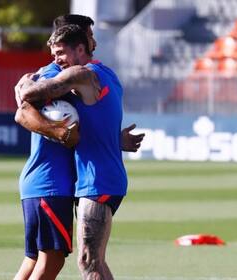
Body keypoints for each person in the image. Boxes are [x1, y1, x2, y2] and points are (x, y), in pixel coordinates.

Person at [14, 16, 144, 280]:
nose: (93, 39)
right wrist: (113, 138)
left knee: (86, 261)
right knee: (83, 260)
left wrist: (24, 84)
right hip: (87, 180)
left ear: (81, 47)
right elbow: (94, 124)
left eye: (61, 52)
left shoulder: (81, 74)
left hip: (96, 180)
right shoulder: (99, 73)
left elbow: (28, 97)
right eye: (89, 33)